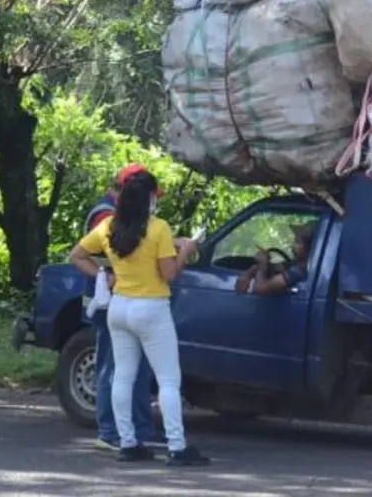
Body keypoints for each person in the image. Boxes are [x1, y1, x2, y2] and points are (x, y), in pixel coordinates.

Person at [69, 168, 210, 466]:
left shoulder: (109, 226)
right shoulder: (158, 228)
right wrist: (185, 250)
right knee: (169, 379)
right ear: (148, 198)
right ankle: (177, 446)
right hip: (151, 308)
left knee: (123, 375)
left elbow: (77, 255)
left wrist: (104, 276)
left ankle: (128, 442)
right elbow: (169, 273)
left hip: (119, 307)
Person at [85, 164, 161, 452]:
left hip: (129, 298)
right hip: (109, 301)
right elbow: (107, 252)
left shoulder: (125, 214)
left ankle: (140, 429)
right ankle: (108, 430)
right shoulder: (104, 216)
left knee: (137, 369)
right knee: (112, 367)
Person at [235, 220, 318, 296]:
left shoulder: (300, 271)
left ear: (309, 249)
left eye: (298, 242)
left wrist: (262, 266)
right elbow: (274, 267)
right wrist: (247, 274)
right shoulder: (296, 264)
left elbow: (260, 289)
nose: (292, 246)